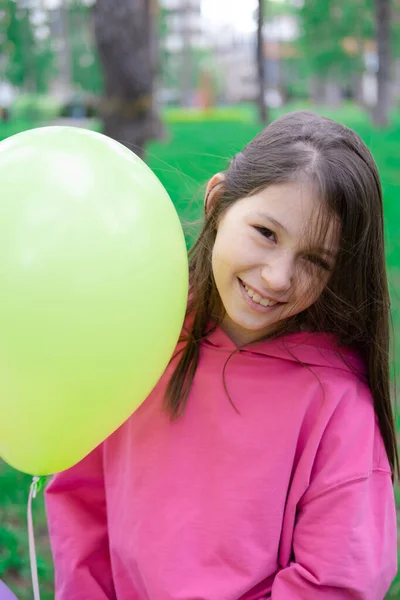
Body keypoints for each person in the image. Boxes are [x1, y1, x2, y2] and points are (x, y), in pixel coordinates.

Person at [45, 111, 398, 599]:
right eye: (266, 233)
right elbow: (81, 505)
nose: (277, 276)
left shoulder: (336, 405)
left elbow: (338, 579)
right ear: (217, 201)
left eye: (315, 260)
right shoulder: (140, 341)